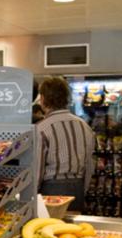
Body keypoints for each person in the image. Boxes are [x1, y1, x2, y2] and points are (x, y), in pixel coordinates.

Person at [36, 77, 95, 212]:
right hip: (78, 187)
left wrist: (32, 195)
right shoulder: (84, 126)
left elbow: (37, 170)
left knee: (49, 224)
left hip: (50, 190)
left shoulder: (41, 128)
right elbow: (89, 165)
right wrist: (83, 189)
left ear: (43, 99)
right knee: (72, 224)